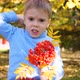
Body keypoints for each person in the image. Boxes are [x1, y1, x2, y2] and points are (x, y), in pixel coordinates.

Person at [0, 0, 64, 80]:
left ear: (48, 23)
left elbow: (59, 69)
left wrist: (49, 75)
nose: (35, 24)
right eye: (31, 19)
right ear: (24, 20)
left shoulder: (51, 43)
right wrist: (16, 17)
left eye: (41, 20)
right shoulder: (14, 34)